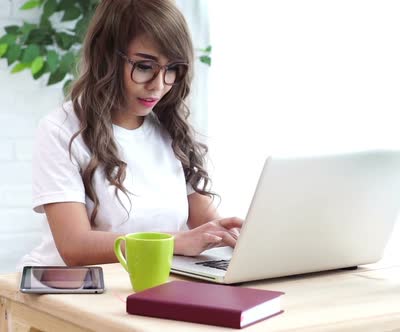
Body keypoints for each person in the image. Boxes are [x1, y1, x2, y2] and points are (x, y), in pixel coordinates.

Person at [18, 0, 242, 270]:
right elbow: (74, 247)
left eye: (172, 69)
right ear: (107, 57)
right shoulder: (60, 130)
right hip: (75, 291)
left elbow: (205, 224)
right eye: (145, 67)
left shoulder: (170, 131)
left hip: (152, 283)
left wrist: (236, 237)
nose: (159, 86)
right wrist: (177, 242)